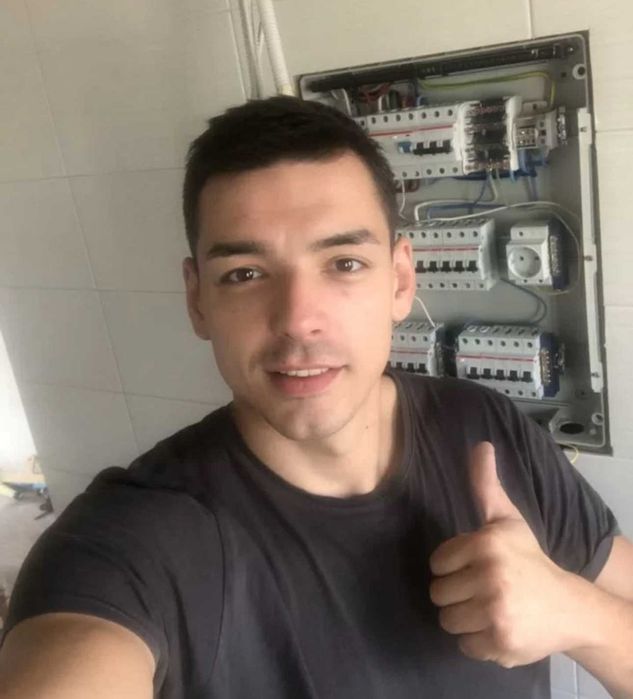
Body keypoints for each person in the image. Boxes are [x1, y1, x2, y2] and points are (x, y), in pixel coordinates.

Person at [0, 96, 632, 699]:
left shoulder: (486, 427)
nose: (298, 320)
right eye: (245, 274)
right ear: (198, 300)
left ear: (401, 279)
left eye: (344, 263)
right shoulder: (131, 543)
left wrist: (579, 615)